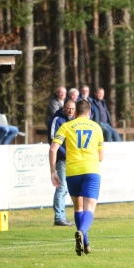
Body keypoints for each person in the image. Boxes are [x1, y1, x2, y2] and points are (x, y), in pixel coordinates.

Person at [49, 100, 104, 255]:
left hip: (72, 171)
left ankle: (85, 244)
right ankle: (81, 231)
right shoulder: (97, 127)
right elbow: (101, 156)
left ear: (74, 112)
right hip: (91, 170)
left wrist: (53, 172)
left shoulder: (66, 126)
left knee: (78, 207)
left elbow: (53, 149)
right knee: (89, 208)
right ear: (90, 111)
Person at [49, 100, 77, 227]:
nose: (70, 111)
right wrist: (66, 154)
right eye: (68, 108)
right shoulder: (57, 119)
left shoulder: (74, 120)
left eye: (72, 108)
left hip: (73, 160)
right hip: (62, 159)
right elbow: (53, 140)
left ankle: (64, 216)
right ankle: (59, 217)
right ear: (64, 108)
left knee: (69, 189)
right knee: (62, 188)